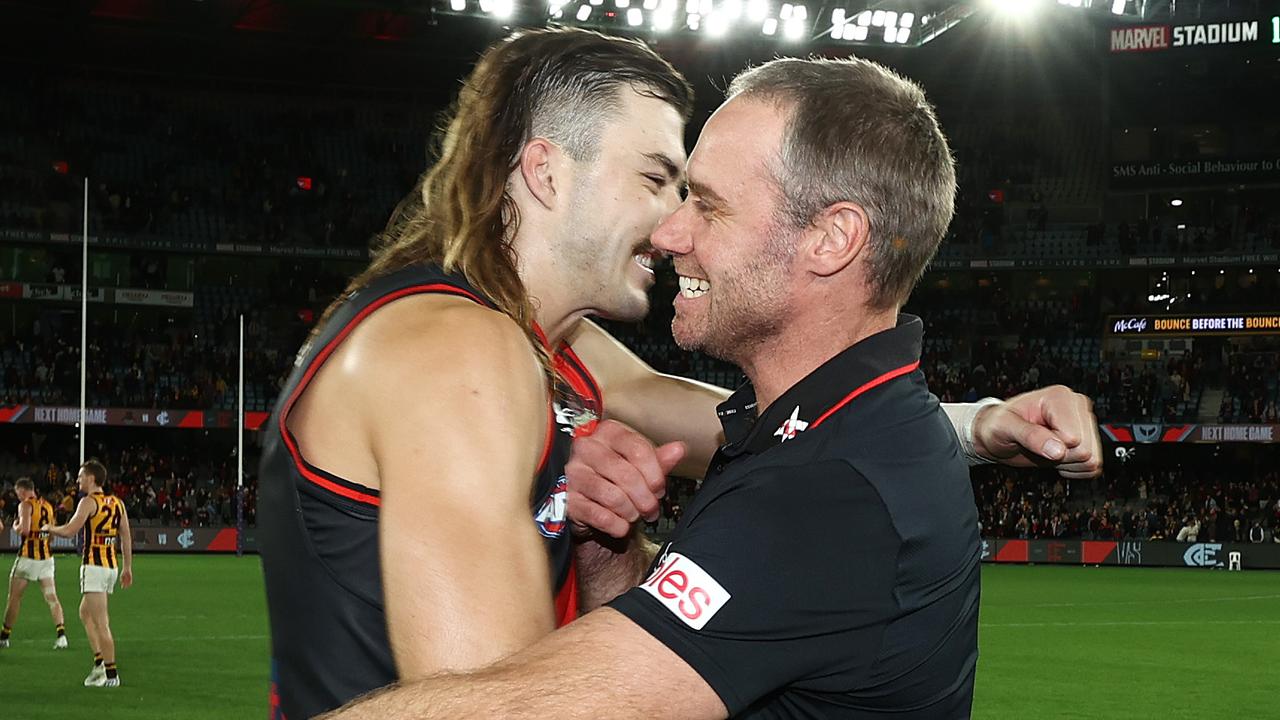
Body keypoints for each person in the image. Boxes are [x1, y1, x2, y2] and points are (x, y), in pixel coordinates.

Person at [261, 28, 1101, 720]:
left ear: (832, 238)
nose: (672, 227)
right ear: (547, 173)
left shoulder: (548, 352)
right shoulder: (468, 350)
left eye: (697, 194)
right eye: (661, 180)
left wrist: (980, 426)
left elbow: (750, 428)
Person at [44, 460, 133, 688]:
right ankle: (98, 663)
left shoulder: (88, 502)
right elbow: (125, 536)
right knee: (84, 613)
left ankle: (110, 674)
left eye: (81, 476)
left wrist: (50, 528)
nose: (78, 480)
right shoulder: (117, 503)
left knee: (101, 622)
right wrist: (127, 568)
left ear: (92, 478)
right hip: (110, 567)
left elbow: (71, 530)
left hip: (94, 568)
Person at [1, 478, 68, 650]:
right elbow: (51, 534)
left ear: (22, 491)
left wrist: (15, 525)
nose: (18, 497)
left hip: (27, 559)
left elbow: (24, 530)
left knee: (14, 598)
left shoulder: (25, 505)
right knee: (52, 598)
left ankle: (4, 637)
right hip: (46, 559)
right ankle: (61, 636)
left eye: (18, 494)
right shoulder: (47, 505)